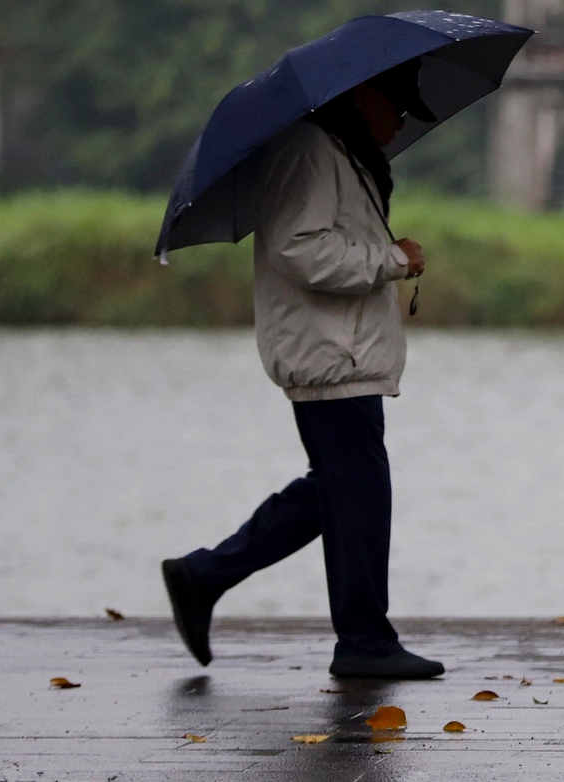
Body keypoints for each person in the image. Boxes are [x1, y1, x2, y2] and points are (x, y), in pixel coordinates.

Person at [160, 61, 442, 680]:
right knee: (358, 491)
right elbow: (300, 249)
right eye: (395, 109)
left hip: (339, 351)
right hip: (331, 353)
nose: (399, 125)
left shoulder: (334, 149)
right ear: (363, 93)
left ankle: (204, 575)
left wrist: (387, 258)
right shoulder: (310, 149)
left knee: (339, 489)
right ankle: (364, 639)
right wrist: (392, 258)